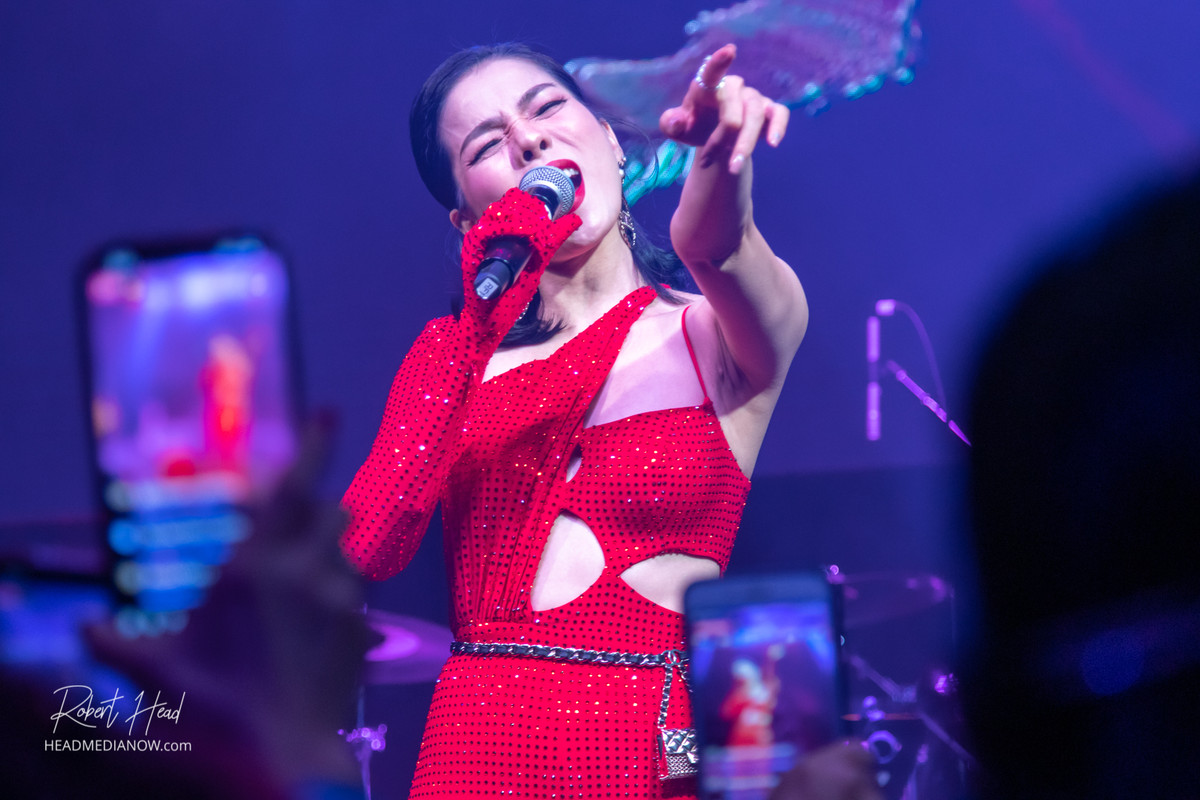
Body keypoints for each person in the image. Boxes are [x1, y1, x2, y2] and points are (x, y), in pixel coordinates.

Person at [341, 41, 808, 797]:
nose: (529, 141)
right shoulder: (453, 355)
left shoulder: (712, 337)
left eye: (547, 108)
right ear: (467, 219)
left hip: (654, 745)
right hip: (475, 753)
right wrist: (480, 323)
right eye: (486, 144)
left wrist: (720, 157)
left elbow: (715, 246)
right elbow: (370, 544)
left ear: (611, 144)